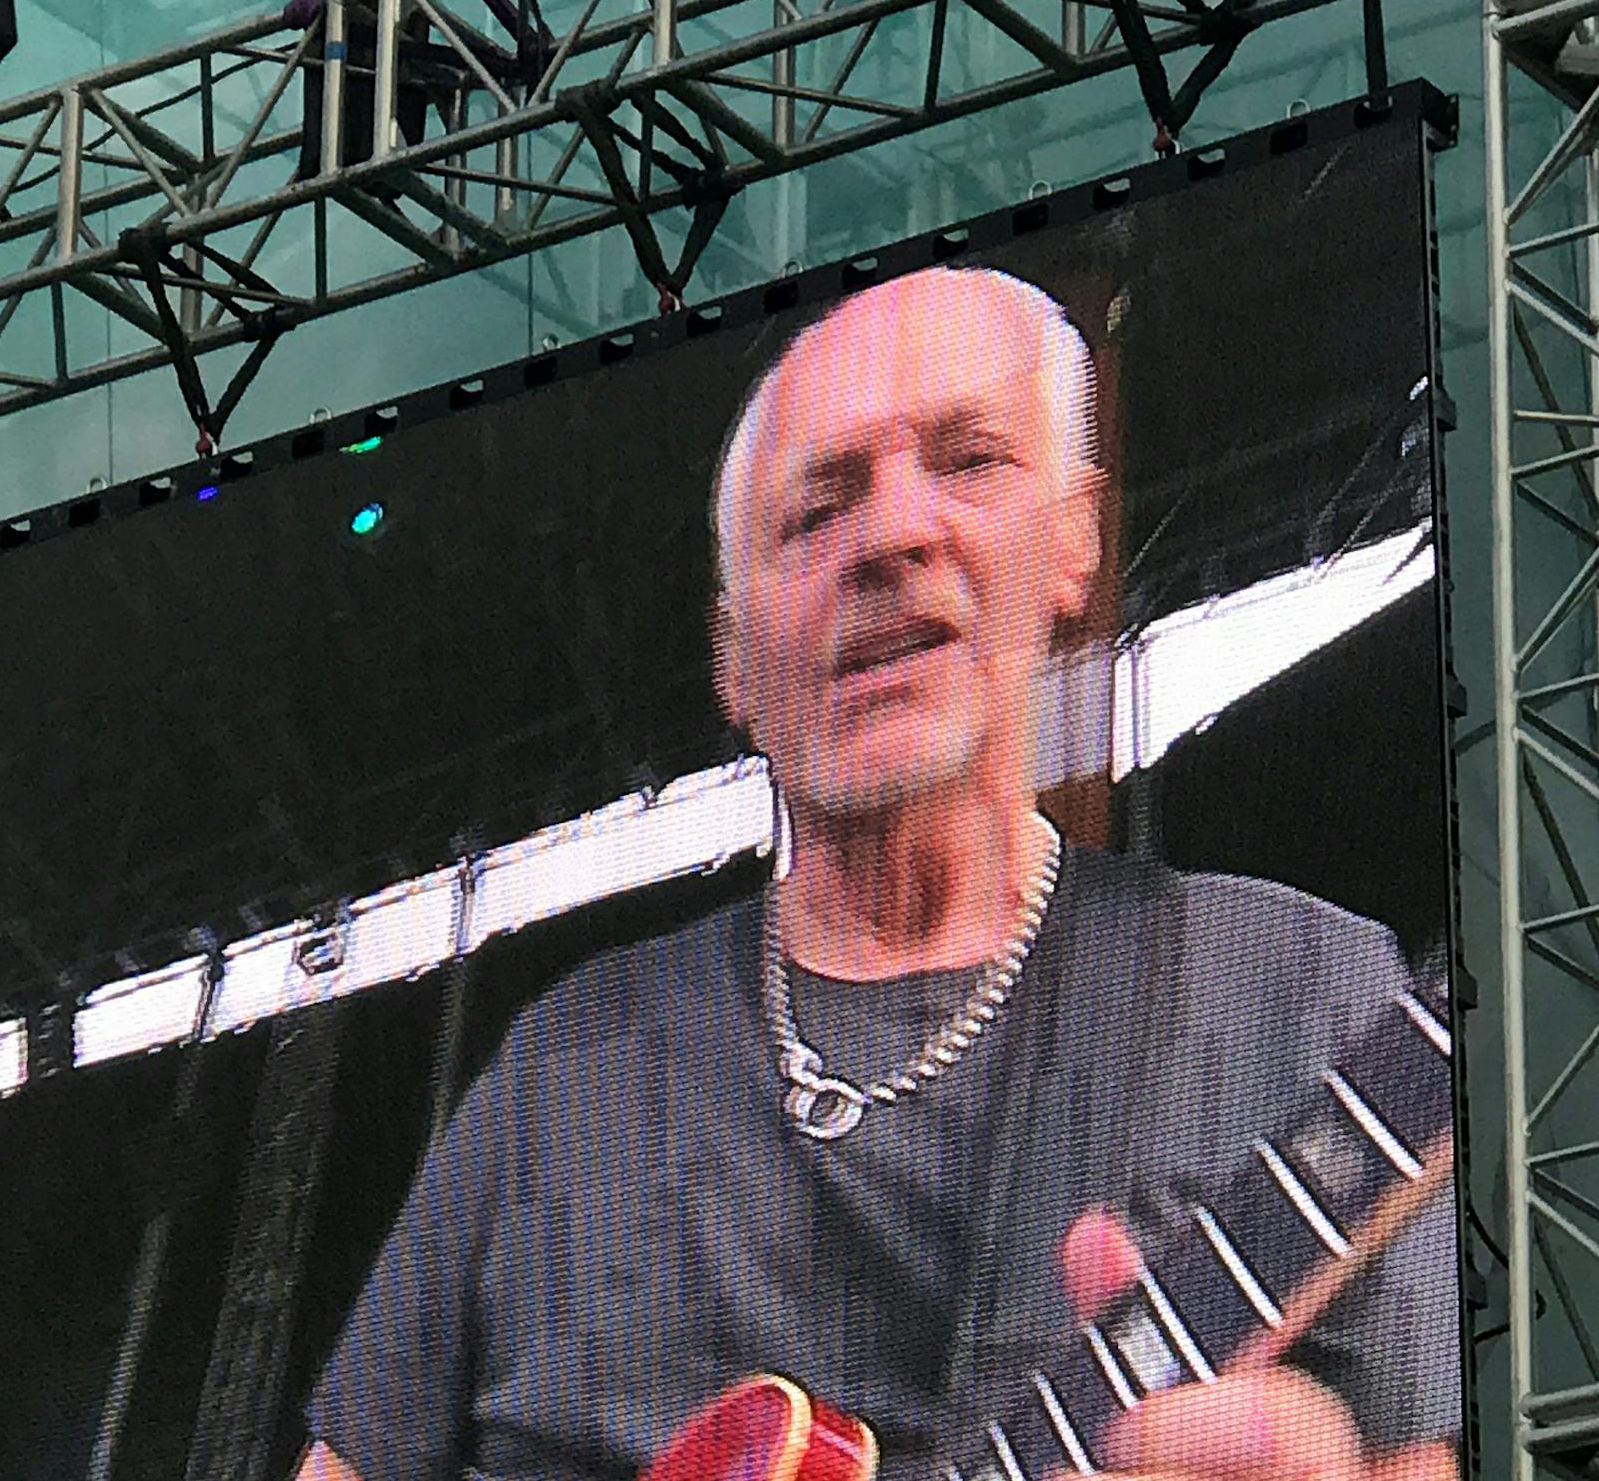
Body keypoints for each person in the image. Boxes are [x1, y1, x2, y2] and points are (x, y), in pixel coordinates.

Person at [292, 266, 1462, 1481]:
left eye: (968, 460)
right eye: (814, 512)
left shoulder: (1294, 986)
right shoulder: (564, 1069)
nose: (894, 533)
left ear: (1073, 543)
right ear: (734, 664)